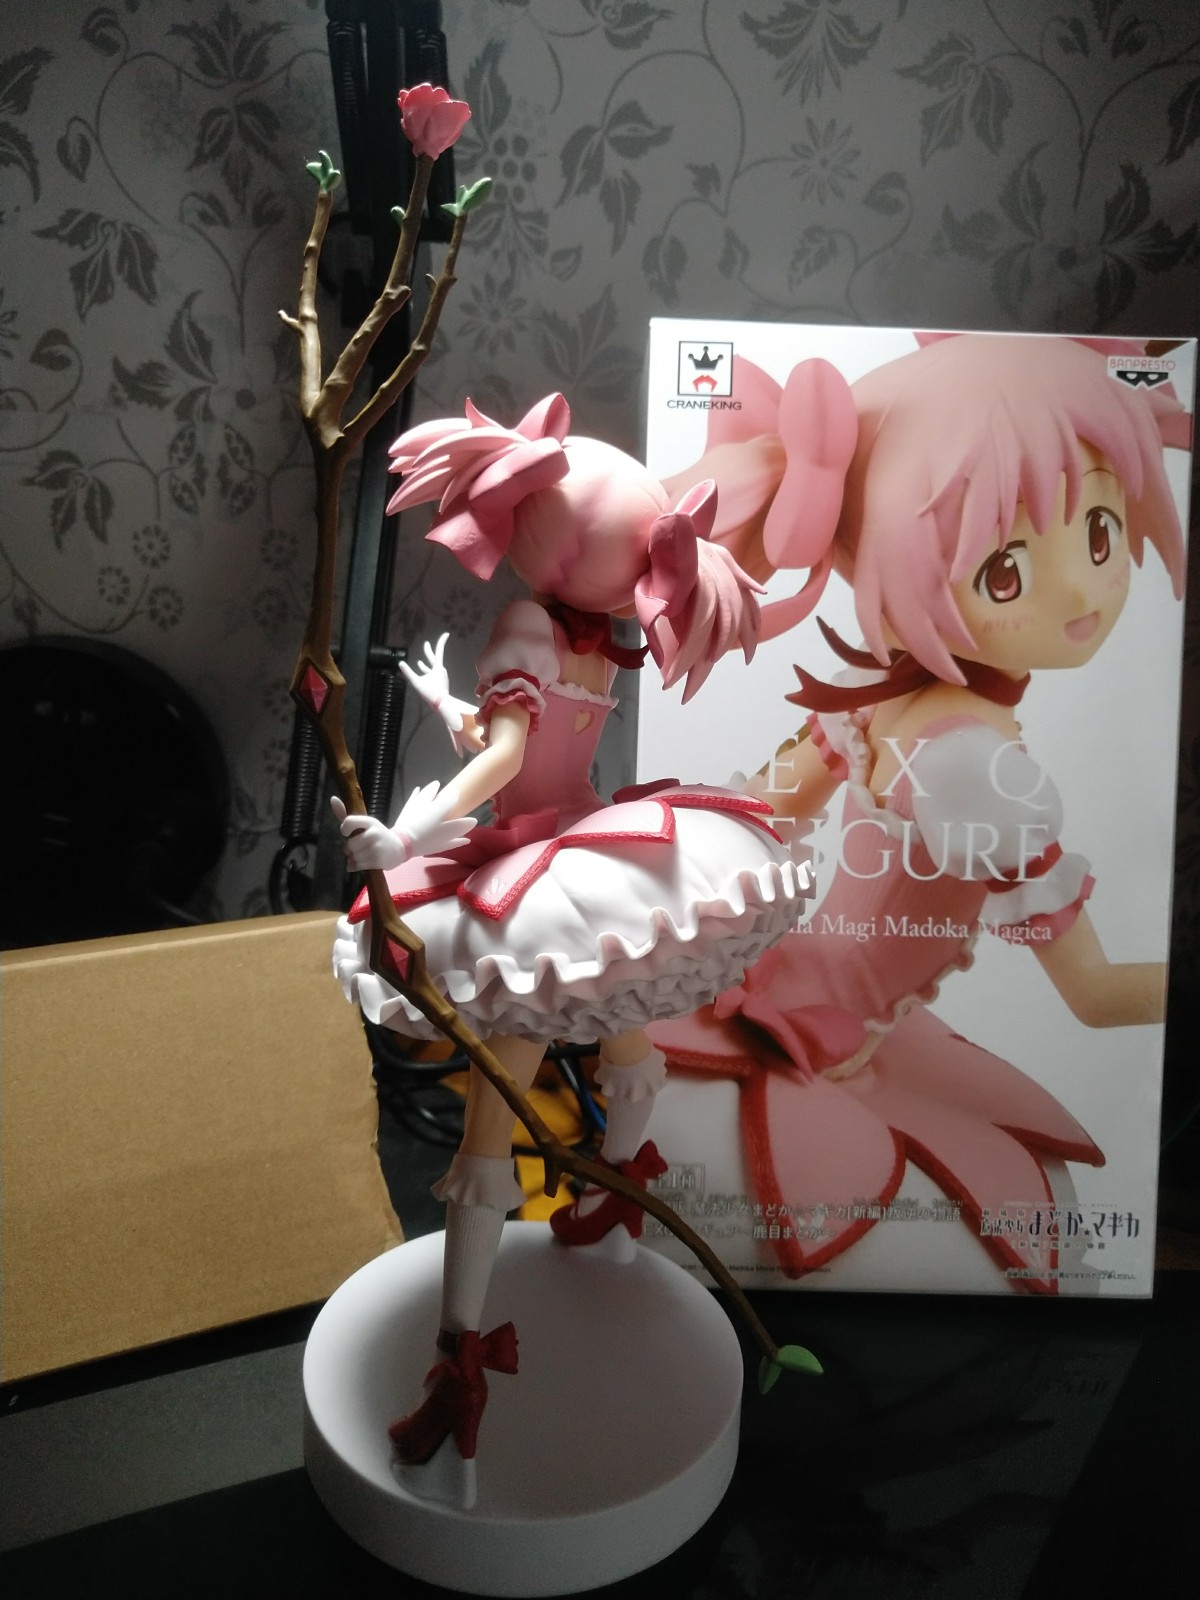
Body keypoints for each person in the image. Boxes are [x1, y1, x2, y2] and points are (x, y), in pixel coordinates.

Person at [331, 392, 810, 1503]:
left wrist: (410, 831)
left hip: (528, 870)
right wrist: (452, 708)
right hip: (587, 843)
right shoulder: (597, 644)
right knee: (623, 1031)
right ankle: (607, 1210)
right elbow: (526, 735)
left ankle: (460, 1355)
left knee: (493, 1115)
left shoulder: (528, 625)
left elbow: (509, 760)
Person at [648, 334, 1188, 1292]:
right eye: (1006, 570)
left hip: (784, 973)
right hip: (822, 1035)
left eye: (1101, 533)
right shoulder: (978, 771)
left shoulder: (876, 706)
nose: (1080, 590)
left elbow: (753, 816)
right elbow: (1098, 995)